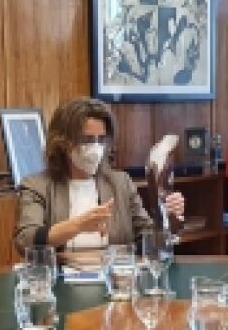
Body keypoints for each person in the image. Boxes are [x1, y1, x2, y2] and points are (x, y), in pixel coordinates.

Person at [13, 97, 185, 254]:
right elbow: (25, 240)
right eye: (86, 139)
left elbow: (146, 239)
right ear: (62, 142)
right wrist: (78, 225)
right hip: (60, 275)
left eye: (101, 139)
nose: (96, 148)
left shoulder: (121, 182)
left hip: (116, 275)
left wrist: (168, 221)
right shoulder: (37, 185)